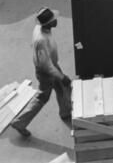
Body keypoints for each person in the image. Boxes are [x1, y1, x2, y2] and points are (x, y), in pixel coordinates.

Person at [10, 7, 72, 138]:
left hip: (52, 66)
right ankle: (20, 123)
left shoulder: (41, 29)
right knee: (43, 97)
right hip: (47, 72)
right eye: (54, 20)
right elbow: (46, 65)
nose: (57, 21)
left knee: (62, 87)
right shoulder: (41, 40)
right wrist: (61, 76)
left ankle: (66, 112)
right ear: (48, 23)